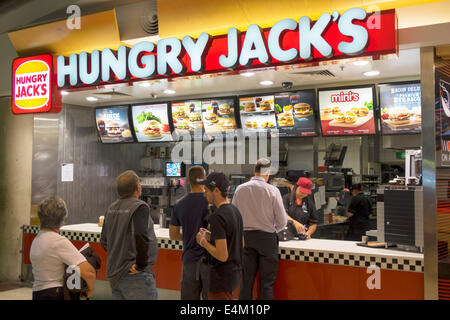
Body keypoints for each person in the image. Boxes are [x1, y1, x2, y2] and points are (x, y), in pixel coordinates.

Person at [232, 158, 287, 300]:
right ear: (267, 172)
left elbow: (234, 217)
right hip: (267, 240)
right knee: (266, 284)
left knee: (246, 282)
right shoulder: (273, 191)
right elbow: (282, 222)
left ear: (254, 171)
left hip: (246, 239)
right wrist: (272, 228)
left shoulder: (240, 189)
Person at [100, 170, 158, 300]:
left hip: (115, 274)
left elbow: (104, 240)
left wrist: (119, 255)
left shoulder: (111, 208)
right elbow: (140, 235)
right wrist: (141, 265)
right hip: (135, 276)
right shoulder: (139, 206)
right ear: (138, 187)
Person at [30, 196, 96, 300]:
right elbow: (89, 273)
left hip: (38, 293)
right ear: (62, 218)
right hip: (55, 293)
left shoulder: (37, 239)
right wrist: (90, 290)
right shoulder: (58, 241)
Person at [195, 172, 243, 300]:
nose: (204, 194)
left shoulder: (217, 216)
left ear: (216, 190)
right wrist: (211, 236)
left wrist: (203, 242)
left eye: (206, 190)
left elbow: (222, 255)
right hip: (234, 276)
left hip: (220, 278)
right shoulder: (235, 211)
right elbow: (238, 242)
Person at [169, 165, 210, 300]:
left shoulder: (179, 204)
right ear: (204, 180)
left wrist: (189, 236)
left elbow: (173, 235)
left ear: (188, 181)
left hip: (189, 261)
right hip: (210, 261)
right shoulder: (211, 202)